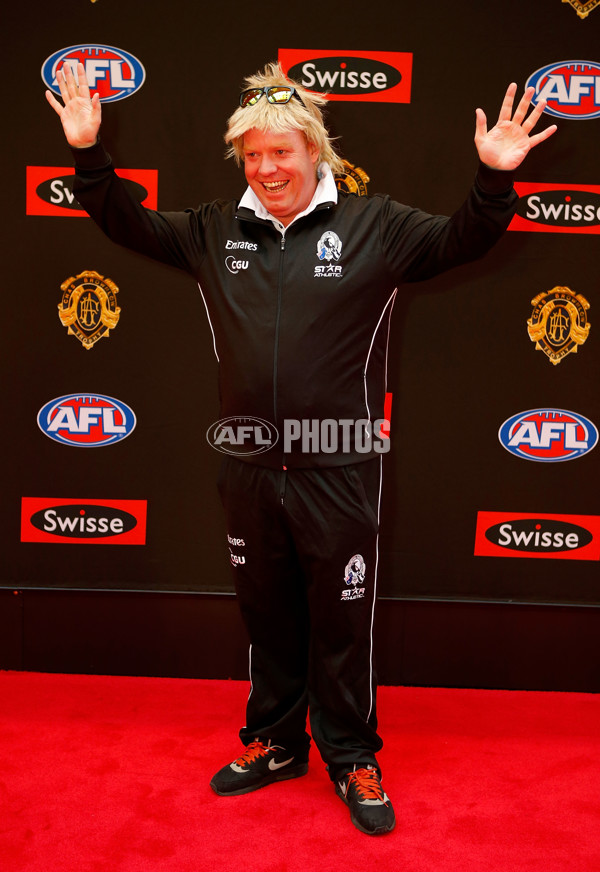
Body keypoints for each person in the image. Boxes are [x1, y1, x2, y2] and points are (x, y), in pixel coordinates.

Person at [46, 61, 556, 836]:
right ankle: (277, 743)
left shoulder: (375, 225)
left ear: (315, 150)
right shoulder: (216, 229)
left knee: (343, 623)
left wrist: (492, 179)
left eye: (281, 151)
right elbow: (126, 221)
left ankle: (350, 755)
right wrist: (88, 154)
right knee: (268, 617)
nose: (267, 168)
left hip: (340, 464)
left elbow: (463, 240)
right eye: (252, 154)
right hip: (249, 467)